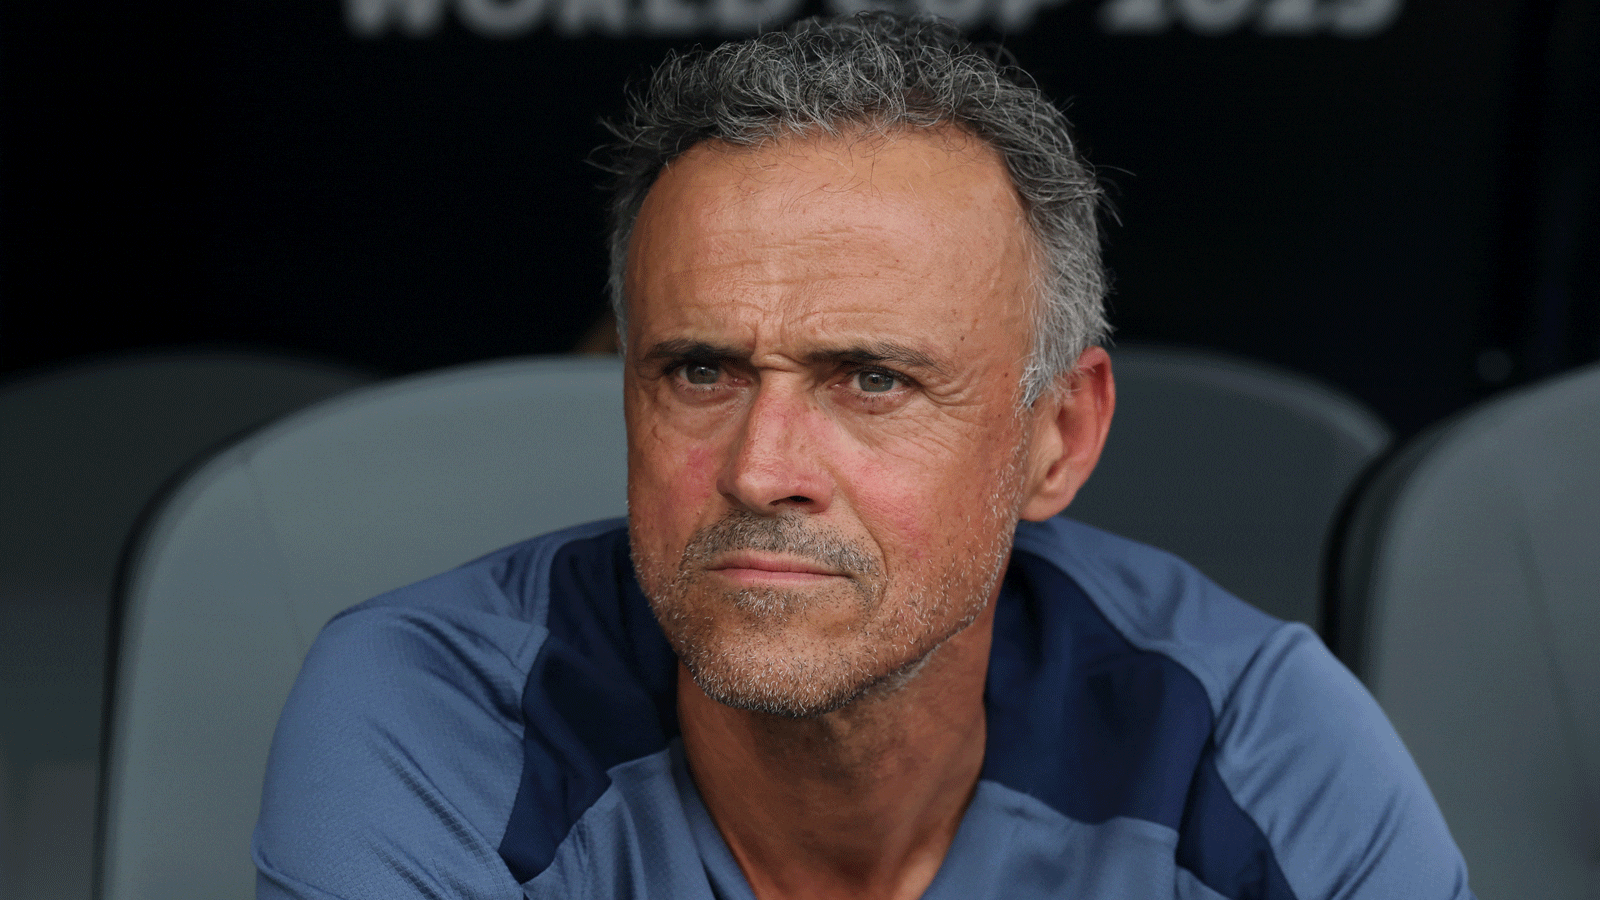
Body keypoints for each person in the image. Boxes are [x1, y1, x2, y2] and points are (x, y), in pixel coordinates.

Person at [254, 13, 1474, 900]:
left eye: (873, 380)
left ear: (1058, 438)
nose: (760, 469)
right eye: (701, 372)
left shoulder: (1244, 736)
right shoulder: (441, 712)